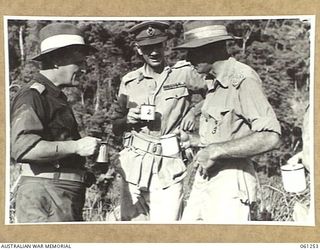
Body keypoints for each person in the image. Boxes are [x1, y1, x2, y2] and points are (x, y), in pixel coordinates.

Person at [173, 20, 282, 223]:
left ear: (213, 50)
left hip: (231, 179)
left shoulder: (243, 80)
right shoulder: (214, 82)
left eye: (193, 51)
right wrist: (194, 141)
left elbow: (270, 136)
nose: (188, 59)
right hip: (206, 178)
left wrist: (216, 151)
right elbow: (226, 131)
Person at [111, 21, 206, 221]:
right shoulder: (129, 82)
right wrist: (127, 119)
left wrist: (193, 111)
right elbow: (115, 126)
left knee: (167, 228)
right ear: (139, 50)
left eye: (158, 46)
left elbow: (215, 92)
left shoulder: (184, 74)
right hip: (134, 165)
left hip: (168, 165)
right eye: (147, 48)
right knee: (132, 230)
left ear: (165, 46)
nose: (154, 52)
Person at [10, 23, 101, 223]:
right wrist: (76, 147)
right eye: (79, 62)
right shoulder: (32, 95)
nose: (85, 68)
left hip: (60, 196)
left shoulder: (55, 96)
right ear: (57, 60)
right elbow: (23, 149)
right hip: (46, 195)